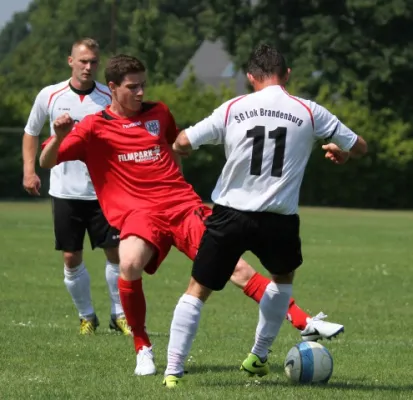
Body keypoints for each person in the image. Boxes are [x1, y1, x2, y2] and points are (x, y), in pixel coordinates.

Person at [39, 54, 345, 376]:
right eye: (133, 87)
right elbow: (47, 162)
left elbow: (176, 147)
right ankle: (142, 347)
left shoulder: (159, 113)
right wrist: (59, 136)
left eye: (143, 84)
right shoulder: (93, 126)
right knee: (128, 262)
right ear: (113, 87)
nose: (141, 92)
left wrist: (181, 185)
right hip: (140, 214)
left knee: (236, 268)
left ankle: (302, 320)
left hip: (181, 205)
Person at [162, 44, 367, 387]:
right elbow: (359, 146)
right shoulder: (309, 110)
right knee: (282, 280)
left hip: (229, 214)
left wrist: (213, 144)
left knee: (197, 290)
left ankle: (172, 371)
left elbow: (182, 142)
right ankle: (258, 356)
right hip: (279, 219)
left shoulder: (233, 108)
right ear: (287, 75)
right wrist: (342, 153)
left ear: (249, 78)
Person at [23, 38, 130, 335]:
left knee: (117, 253)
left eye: (93, 62)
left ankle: (119, 315)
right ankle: (87, 316)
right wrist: (29, 170)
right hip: (64, 191)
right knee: (71, 257)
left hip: (104, 192)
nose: (88, 67)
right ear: (70, 61)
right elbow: (31, 132)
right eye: (82, 61)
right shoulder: (50, 95)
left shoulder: (109, 97)